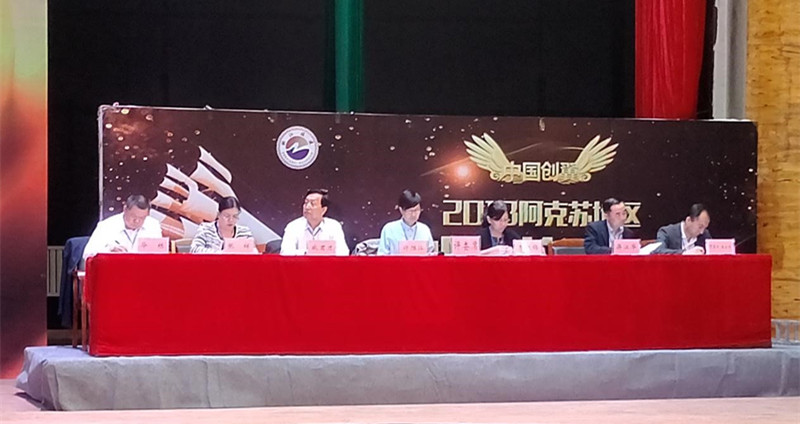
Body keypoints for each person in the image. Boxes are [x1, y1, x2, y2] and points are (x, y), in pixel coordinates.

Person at [83, 194, 163, 259]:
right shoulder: (107, 225)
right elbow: (87, 254)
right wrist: (109, 251)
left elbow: (159, 254)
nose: (137, 221)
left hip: (143, 270)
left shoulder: (153, 225)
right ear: (125, 209)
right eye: (134, 216)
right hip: (115, 269)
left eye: (142, 218)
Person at [280, 189, 349, 255]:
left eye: (312, 204)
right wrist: (307, 253)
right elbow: (285, 252)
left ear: (323, 210)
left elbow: (343, 252)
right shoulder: (293, 226)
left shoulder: (334, 226)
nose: (307, 207)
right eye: (306, 203)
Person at [378, 189, 435, 255]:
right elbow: (382, 255)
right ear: (401, 210)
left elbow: (431, 254)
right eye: (410, 211)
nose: (413, 214)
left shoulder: (425, 229)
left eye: (417, 210)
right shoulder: (389, 229)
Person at [190, 196, 255, 253]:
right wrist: (221, 254)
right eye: (227, 216)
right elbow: (194, 249)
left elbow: (253, 253)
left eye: (235, 216)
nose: (231, 220)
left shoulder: (244, 232)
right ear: (218, 214)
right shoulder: (206, 229)